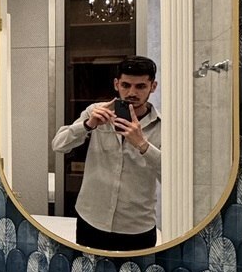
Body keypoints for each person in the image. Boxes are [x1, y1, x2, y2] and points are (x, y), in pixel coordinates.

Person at [51, 56, 161, 251]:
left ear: (153, 87)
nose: (132, 93)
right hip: (91, 219)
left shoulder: (162, 125)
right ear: (116, 84)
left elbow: (171, 177)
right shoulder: (96, 112)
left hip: (136, 226)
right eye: (126, 85)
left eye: (140, 86)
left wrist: (143, 145)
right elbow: (59, 145)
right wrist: (88, 125)